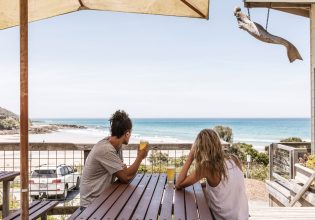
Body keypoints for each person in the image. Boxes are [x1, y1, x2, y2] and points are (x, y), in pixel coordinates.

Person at [175, 129, 249, 220]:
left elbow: (179, 184)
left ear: (201, 147)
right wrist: (205, 185)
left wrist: (191, 156)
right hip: (243, 216)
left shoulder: (207, 167)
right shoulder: (234, 159)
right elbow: (225, 186)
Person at [80, 110, 148, 208]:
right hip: (91, 206)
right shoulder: (106, 149)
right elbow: (125, 177)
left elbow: (123, 173)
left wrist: (123, 172)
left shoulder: (116, 145)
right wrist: (139, 157)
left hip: (103, 200)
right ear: (127, 133)